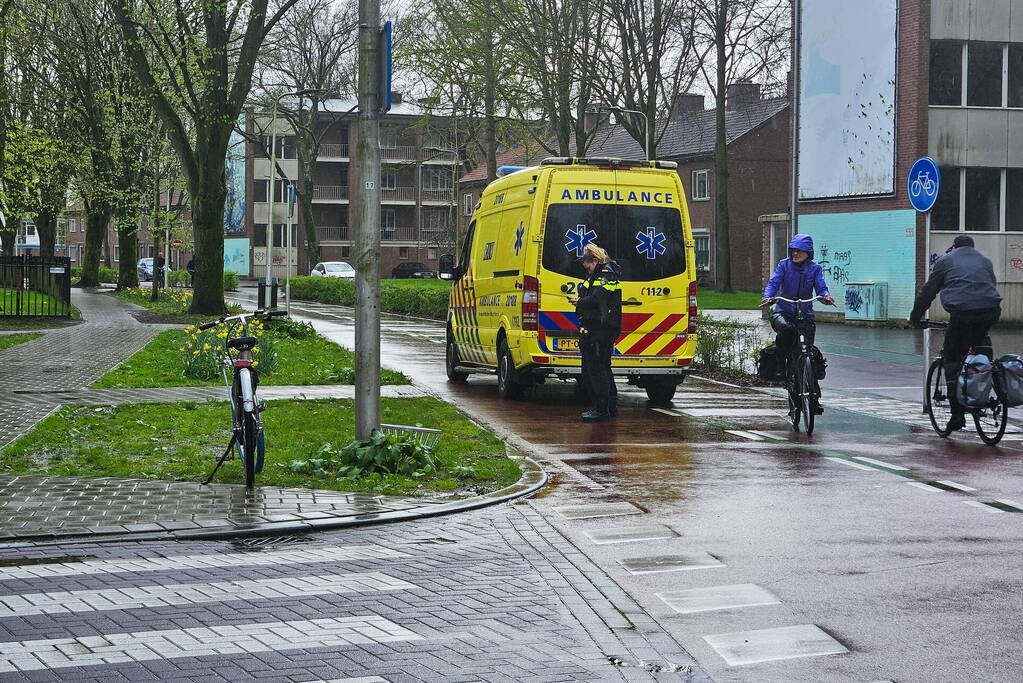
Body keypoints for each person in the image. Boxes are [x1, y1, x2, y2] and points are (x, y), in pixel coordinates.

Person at [909, 234, 1001, 432]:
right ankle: (991, 387)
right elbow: (989, 287)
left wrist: (915, 317)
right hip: (991, 312)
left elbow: (927, 292)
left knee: (952, 359)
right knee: (982, 352)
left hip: (962, 314)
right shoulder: (984, 261)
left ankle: (957, 414)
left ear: (954, 247)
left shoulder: (945, 261)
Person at [761, 234, 835, 413]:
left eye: (799, 250)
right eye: (793, 250)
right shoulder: (784, 265)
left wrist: (826, 296)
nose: (795, 253)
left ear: (808, 252)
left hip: (805, 314)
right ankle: (780, 364)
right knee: (787, 329)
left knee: (808, 355)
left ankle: (814, 399)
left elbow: (821, 286)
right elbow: (774, 282)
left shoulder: (815, 269)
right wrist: (768, 296)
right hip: (783, 313)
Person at [570, 243, 622, 422]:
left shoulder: (606, 275)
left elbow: (598, 298)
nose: (587, 270)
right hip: (598, 327)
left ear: (594, 260)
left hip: (601, 328)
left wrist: (579, 302)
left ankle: (601, 409)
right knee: (603, 368)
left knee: (596, 370)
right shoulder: (600, 274)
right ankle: (609, 406)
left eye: (588, 266)